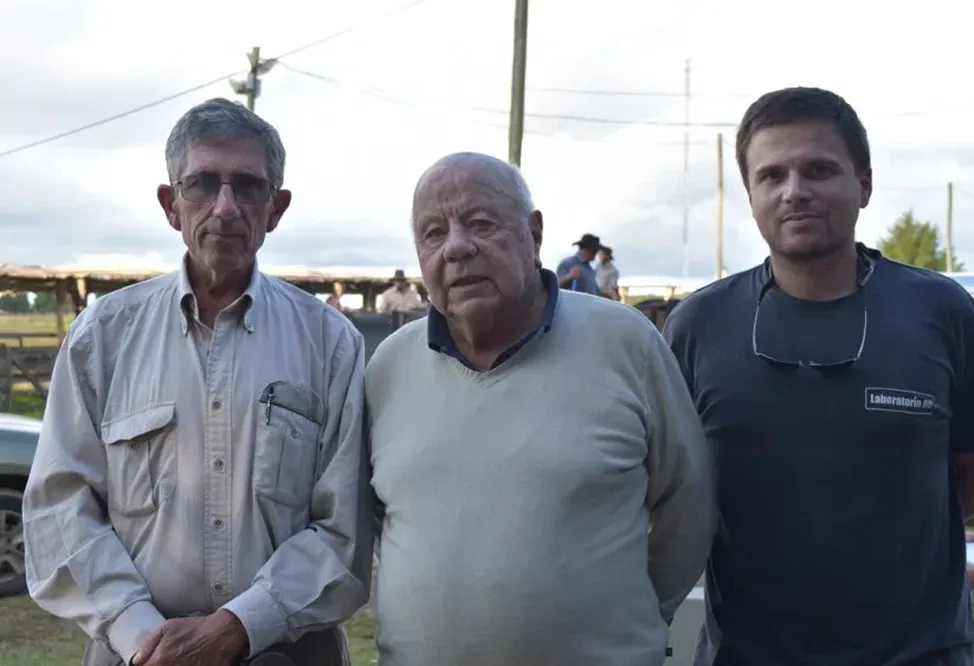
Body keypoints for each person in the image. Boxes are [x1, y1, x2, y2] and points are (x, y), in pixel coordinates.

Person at [21, 98, 373, 666]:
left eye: (249, 187)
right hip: (134, 653)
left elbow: (344, 529)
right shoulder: (102, 337)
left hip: (286, 652)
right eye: (203, 184)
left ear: (276, 208)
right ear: (170, 204)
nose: (226, 207)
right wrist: (144, 638)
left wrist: (238, 627)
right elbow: (59, 510)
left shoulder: (330, 343)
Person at [663, 86, 974, 666]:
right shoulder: (700, 324)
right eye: (772, 176)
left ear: (863, 184)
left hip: (919, 654)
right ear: (750, 194)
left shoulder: (943, 313)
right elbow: (670, 485)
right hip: (747, 654)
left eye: (819, 170)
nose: (795, 192)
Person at [365, 151, 714, 666]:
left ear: (534, 233)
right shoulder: (389, 365)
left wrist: (626, 619)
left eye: (482, 223)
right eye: (433, 233)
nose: (457, 247)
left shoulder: (625, 342)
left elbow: (689, 503)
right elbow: (377, 522)